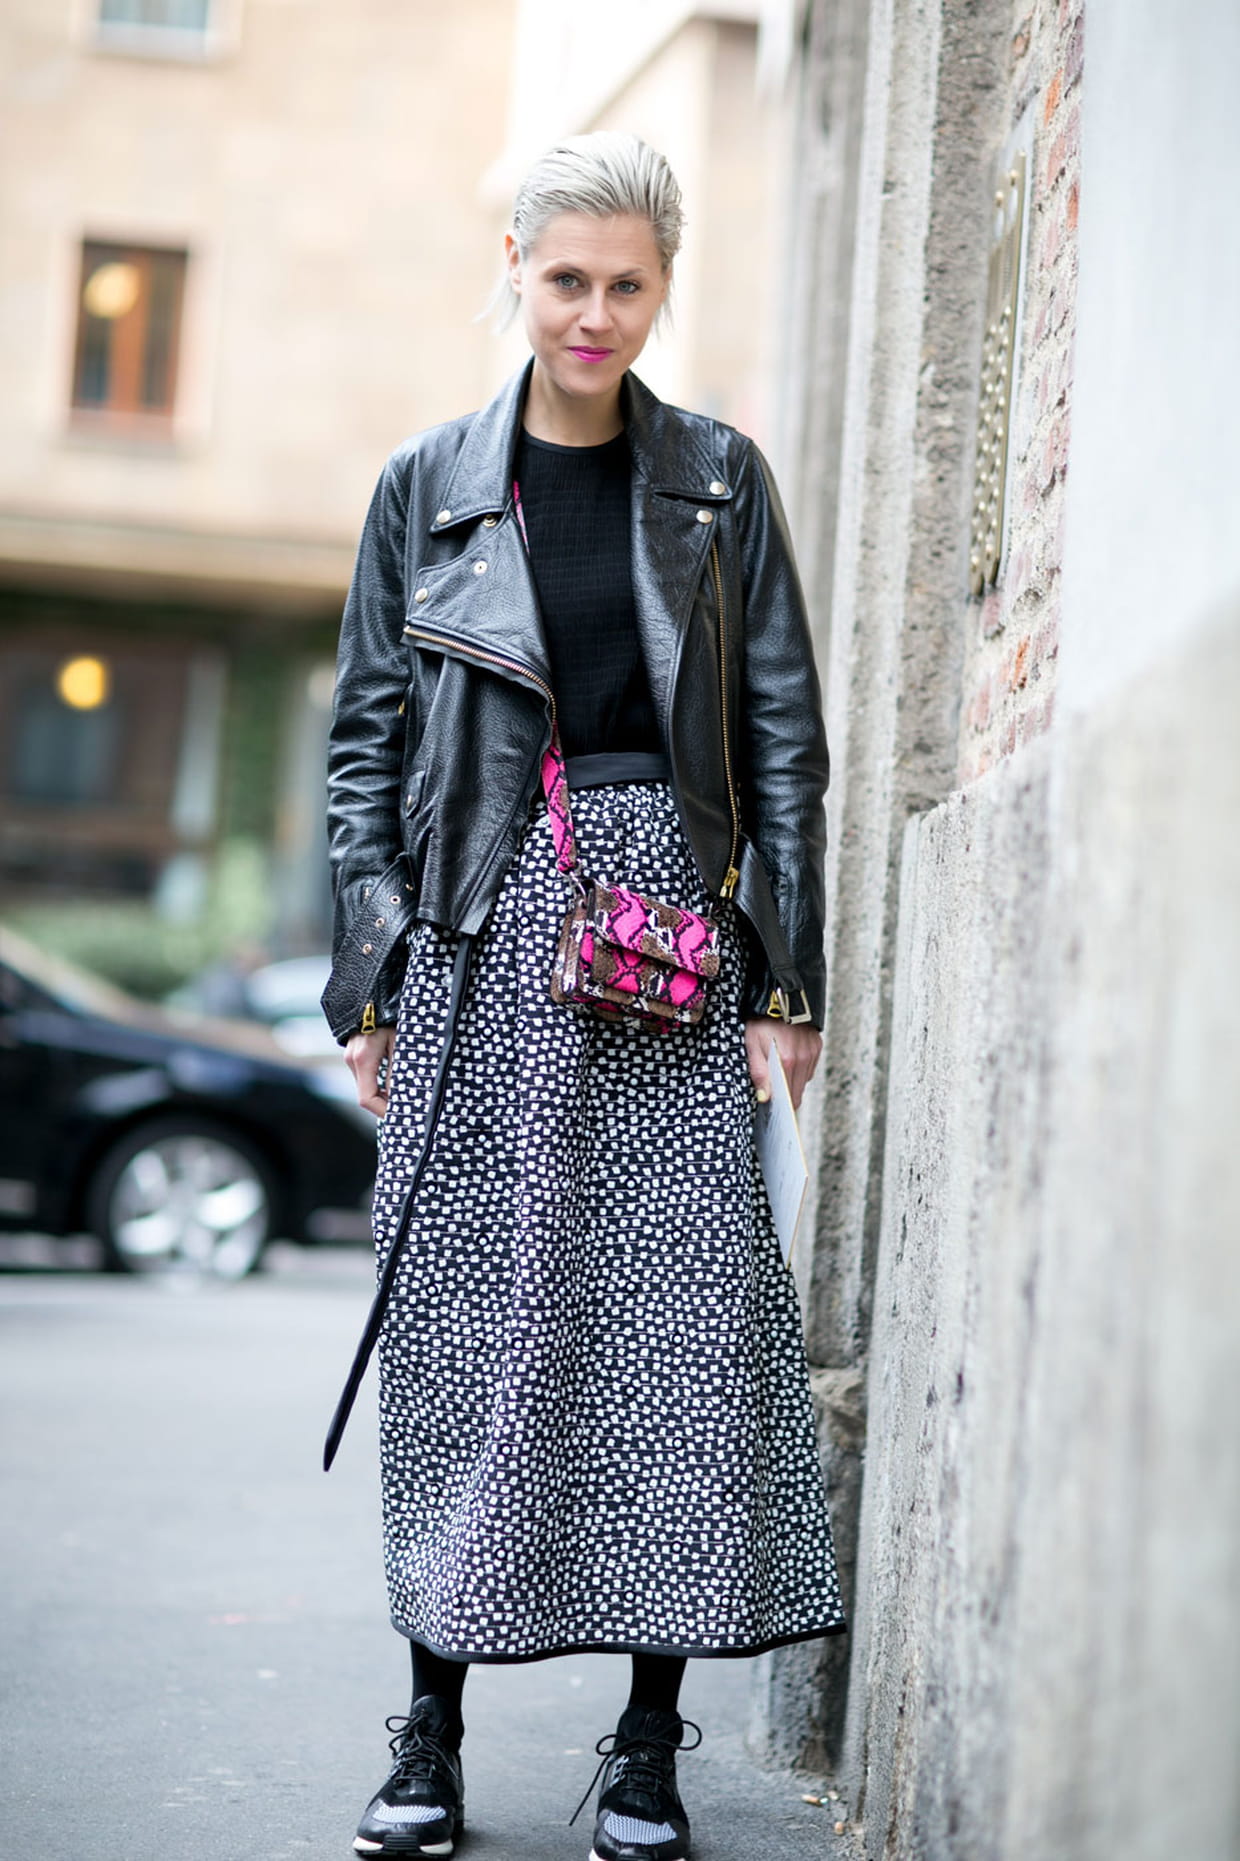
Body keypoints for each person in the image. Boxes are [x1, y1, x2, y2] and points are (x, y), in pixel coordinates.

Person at [323, 131, 847, 1861]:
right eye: (568, 279)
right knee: (472, 1335)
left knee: (676, 1341)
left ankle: (644, 1746)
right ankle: (433, 1725)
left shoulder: (718, 481)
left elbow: (782, 738)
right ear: (517, 269)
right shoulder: (427, 485)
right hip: (483, 943)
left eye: (628, 284)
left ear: (662, 286)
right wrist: (376, 969)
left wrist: (785, 972)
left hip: (669, 954)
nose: (595, 314)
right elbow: (366, 746)